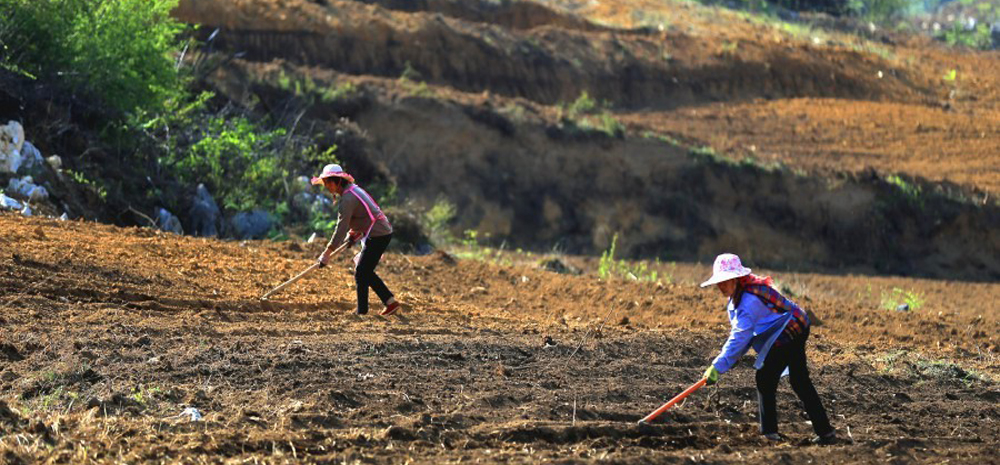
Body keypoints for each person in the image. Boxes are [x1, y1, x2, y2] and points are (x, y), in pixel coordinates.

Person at [700, 253, 835, 444]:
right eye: (719, 282)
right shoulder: (738, 298)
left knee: (766, 378)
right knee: (798, 381)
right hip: (793, 326)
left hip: (791, 330)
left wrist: (718, 365)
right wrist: (725, 363)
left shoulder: (748, 301)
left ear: (737, 279)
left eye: (726, 280)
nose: (721, 286)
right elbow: (745, 337)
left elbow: (741, 337)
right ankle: (825, 433)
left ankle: (770, 433)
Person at [311, 164, 400, 316]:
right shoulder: (351, 191)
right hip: (378, 231)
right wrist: (354, 233)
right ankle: (390, 302)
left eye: (328, 182)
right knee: (364, 270)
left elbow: (341, 226)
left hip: (378, 234)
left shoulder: (348, 198)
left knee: (361, 272)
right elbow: (362, 215)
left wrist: (328, 252)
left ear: (337, 181)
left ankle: (362, 312)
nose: (326, 186)